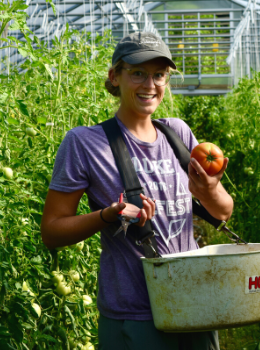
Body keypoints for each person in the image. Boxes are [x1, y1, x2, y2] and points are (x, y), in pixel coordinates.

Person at [40, 32, 232, 349]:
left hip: (195, 301)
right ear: (115, 77)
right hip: (134, 314)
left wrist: (210, 188)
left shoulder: (179, 133)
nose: (150, 85)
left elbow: (223, 211)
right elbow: (52, 231)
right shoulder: (85, 143)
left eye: (159, 75)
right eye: (138, 73)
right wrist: (107, 216)